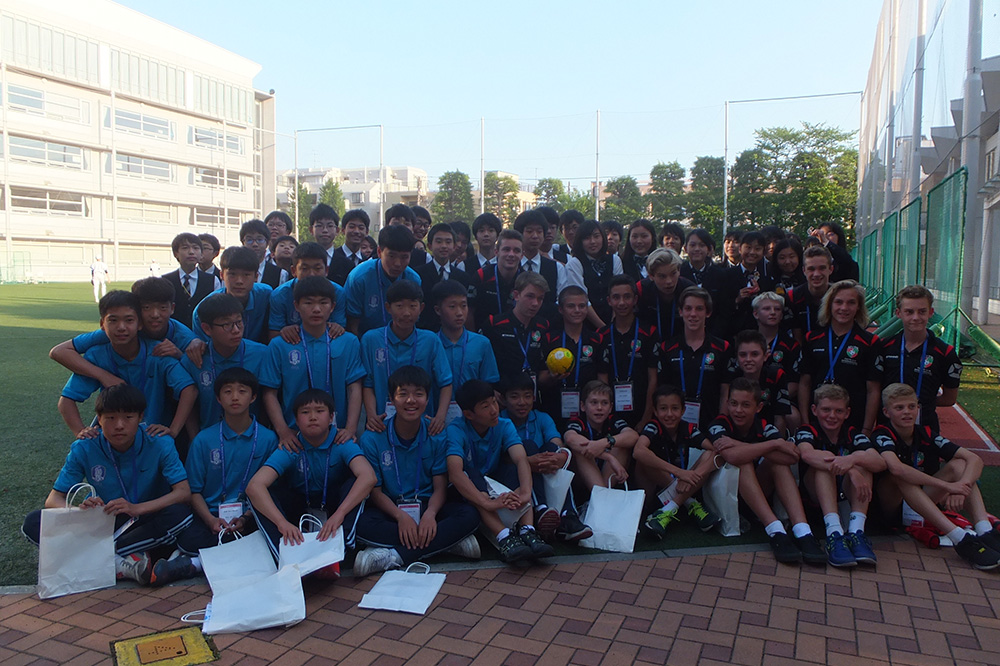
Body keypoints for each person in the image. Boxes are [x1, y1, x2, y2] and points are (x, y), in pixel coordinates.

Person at [22, 384, 195, 586]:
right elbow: (53, 500)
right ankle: (121, 562)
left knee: (181, 515)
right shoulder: (85, 446)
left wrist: (136, 508)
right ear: (99, 418)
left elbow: (183, 492)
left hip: (144, 517)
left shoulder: (159, 442)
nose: (119, 425)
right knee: (33, 522)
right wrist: (79, 510)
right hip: (101, 520)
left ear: (140, 417)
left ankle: (95, 557)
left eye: (128, 417)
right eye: (110, 418)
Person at [354, 367, 481, 576]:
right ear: (391, 399)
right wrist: (400, 517)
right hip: (391, 510)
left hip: (429, 507)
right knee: (361, 525)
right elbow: (375, 492)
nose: (411, 400)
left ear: (428, 399)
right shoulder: (372, 438)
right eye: (403, 394)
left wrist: (430, 514)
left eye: (418, 394)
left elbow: (440, 487)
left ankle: (393, 556)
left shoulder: (436, 435)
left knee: (470, 515)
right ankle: (447, 543)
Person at [247, 389, 376, 575]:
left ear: (331, 417)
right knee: (260, 495)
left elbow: (368, 476)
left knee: (355, 485)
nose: (313, 417)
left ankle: (344, 550)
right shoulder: (292, 445)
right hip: (300, 508)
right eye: (305, 412)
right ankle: (284, 557)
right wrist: (281, 522)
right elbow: (254, 486)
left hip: (334, 508)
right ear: (296, 420)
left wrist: (340, 514)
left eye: (320, 411)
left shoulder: (341, 441)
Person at [874, 383, 1000, 569]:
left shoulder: (924, 432)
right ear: (886, 412)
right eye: (899, 408)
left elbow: (974, 459)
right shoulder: (882, 434)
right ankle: (960, 539)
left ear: (918, 408)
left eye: (911, 406)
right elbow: (897, 469)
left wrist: (962, 487)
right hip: (892, 508)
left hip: (921, 503)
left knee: (959, 465)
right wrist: (948, 487)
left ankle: (985, 531)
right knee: (900, 476)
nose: (907, 412)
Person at [708, 378, 827, 565]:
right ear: (727, 404)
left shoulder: (763, 425)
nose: (738, 410)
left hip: (756, 494)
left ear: (758, 407)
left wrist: (745, 446)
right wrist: (772, 444)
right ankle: (775, 531)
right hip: (726, 499)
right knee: (744, 462)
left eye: (746, 405)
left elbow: (791, 457)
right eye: (734, 403)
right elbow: (732, 456)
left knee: (778, 464)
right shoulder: (719, 423)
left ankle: (803, 531)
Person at [57, 291, 197, 442]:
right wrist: (80, 431)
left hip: (152, 439)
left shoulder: (158, 352)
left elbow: (189, 389)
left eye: (129, 320)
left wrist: (173, 430)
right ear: (102, 324)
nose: (121, 327)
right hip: (113, 440)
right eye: (113, 320)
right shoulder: (97, 356)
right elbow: (66, 401)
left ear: (140, 324)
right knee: (79, 451)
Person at [177, 368, 278, 571]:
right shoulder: (203, 440)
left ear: (253, 397)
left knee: (266, 531)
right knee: (187, 536)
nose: (235, 397)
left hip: (251, 515)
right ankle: (232, 557)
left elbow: (271, 490)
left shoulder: (268, 439)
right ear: (218, 398)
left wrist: (245, 517)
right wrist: (211, 520)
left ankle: (197, 563)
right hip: (212, 517)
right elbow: (194, 491)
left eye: (242, 391)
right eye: (228, 391)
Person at [446, 379, 554, 563]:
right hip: (468, 488)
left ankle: (528, 530)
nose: (494, 410)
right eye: (485, 406)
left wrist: (525, 492)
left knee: (517, 467)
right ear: (469, 414)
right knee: (472, 474)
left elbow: (521, 458)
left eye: (494, 402)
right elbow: (455, 473)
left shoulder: (503, 424)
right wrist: (486, 503)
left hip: (493, 481)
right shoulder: (456, 429)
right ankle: (504, 538)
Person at [261, 276, 365, 448]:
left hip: (338, 435)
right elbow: (269, 393)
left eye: (323, 303)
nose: (316, 309)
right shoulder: (280, 345)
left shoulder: (348, 342)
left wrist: (350, 429)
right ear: (296, 306)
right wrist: (283, 431)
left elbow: (354, 387)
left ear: (332, 306)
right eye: (308, 303)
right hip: (295, 437)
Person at [50, 278, 198, 396]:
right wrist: (103, 375)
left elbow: (199, 380)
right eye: (146, 307)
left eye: (162, 307)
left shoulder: (184, 336)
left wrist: (179, 355)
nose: (155, 314)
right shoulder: (122, 331)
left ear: (172, 308)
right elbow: (59, 352)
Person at [795, 384, 883, 567]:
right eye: (826, 410)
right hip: (815, 498)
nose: (832, 416)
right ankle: (833, 535)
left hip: (844, 496)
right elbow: (807, 454)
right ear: (814, 410)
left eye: (838, 411)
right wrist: (850, 469)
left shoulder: (852, 433)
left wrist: (853, 459)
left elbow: (879, 462)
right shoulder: (807, 430)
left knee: (863, 463)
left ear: (847, 413)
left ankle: (856, 533)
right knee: (824, 464)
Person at [500, 372, 591, 542]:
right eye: (514, 397)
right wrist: (527, 462)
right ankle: (540, 509)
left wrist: (559, 456)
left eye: (527, 396)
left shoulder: (541, 418)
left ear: (534, 398)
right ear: (503, 399)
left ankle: (568, 515)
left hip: (543, 474)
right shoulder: (499, 421)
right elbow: (499, 458)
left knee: (552, 449)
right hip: (513, 478)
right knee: (527, 447)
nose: (522, 402)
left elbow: (557, 443)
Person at [361, 279, 453, 436]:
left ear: (421, 308)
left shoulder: (430, 340)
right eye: (399, 306)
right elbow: (367, 383)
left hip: (421, 424)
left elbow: (445, 382)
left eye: (412, 306)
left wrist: (440, 417)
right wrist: (371, 415)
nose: (406, 313)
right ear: (388, 307)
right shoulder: (371, 340)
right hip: (381, 424)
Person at [634, 385, 720, 537]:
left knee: (710, 455)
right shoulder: (653, 426)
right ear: (655, 411)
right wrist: (679, 473)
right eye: (663, 408)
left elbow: (714, 451)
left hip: (684, 487)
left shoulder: (687, 428)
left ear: (683, 410)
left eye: (675, 408)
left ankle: (669, 509)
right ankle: (689, 503)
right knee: (644, 459)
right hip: (656, 492)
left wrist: (687, 477)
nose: (669, 414)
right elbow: (638, 451)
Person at [874, 285, 962, 431]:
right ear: (898, 313)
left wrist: (919, 403)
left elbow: (949, 399)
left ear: (931, 313)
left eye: (922, 311)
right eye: (909, 312)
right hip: (886, 428)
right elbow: (873, 391)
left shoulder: (945, 353)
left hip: (926, 429)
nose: (916, 317)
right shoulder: (884, 347)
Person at [799, 280, 880, 434]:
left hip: (853, 421)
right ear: (829, 304)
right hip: (818, 420)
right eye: (838, 302)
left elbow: (873, 390)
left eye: (851, 303)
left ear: (859, 307)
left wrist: (866, 429)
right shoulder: (812, 339)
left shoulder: (870, 342)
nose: (844, 308)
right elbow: (804, 383)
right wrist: (805, 422)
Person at [181, 294, 268, 429]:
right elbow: (189, 408)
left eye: (239, 322)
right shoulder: (194, 359)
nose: (236, 330)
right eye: (227, 325)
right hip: (208, 436)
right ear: (207, 328)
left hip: (253, 436)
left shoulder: (262, 355)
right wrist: (194, 437)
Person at [659, 287, 732, 432]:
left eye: (699, 309)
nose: (693, 314)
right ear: (681, 312)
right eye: (688, 308)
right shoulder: (667, 348)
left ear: (708, 312)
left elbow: (725, 391)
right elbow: (662, 391)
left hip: (711, 425)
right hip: (675, 427)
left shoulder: (722, 348)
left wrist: (721, 423)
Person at [597, 275, 660, 428]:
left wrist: (646, 417)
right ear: (609, 301)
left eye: (627, 297)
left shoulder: (649, 332)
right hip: (611, 414)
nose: (622, 303)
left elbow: (653, 378)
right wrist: (608, 417)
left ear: (635, 299)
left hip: (642, 411)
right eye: (616, 297)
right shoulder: (601, 335)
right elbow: (602, 380)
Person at [538, 286, 603, 427]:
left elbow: (602, 380)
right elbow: (541, 380)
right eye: (571, 306)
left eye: (582, 306)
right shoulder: (549, 339)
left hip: (588, 413)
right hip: (554, 409)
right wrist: (552, 377)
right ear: (561, 309)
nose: (577, 310)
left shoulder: (596, 339)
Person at [345, 225, 422, 335]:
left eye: (404, 257)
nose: (397, 263)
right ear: (379, 252)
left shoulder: (413, 279)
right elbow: (352, 323)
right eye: (391, 256)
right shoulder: (359, 278)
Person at [433, 281, 500, 407]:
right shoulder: (431, 343)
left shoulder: (482, 344)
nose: (459, 312)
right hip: (436, 413)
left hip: (473, 412)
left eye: (463, 306)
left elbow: (489, 383)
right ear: (438, 310)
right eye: (452, 307)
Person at [562, 380, 637, 491]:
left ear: (611, 407)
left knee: (622, 445)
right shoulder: (578, 422)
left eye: (604, 403)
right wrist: (609, 457)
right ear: (583, 406)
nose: (599, 407)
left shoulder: (613, 420)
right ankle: (602, 494)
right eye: (594, 402)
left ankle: (602, 495)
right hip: (581, 480)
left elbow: (633, 435)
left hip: (608, 479)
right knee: (580, 450)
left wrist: (604, 443)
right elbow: (570, 438)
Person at [481, 271, 550, 387]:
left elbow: (542, 366)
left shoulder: (543, 326)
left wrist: (554, 376)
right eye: (530, 296)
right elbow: (483, 363)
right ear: (516, 295)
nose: (535, 303)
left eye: (540, 298)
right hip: (502, 391)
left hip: (531, 392)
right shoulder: (495, 324)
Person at [192, 246, 273, 344]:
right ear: (222, 275)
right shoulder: (203, 311)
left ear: (256, 277)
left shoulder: (266, 295)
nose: (239, 281)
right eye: (232, 274)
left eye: (246, 275)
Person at [268, 242, 347, 338]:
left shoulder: (337, 292)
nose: (311, 274)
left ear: (326, 270)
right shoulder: (280, 295)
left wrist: (337, 328)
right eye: (304, 269)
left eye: (317, 268)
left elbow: (340, 327)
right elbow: (274, 333)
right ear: (293, 271)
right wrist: (284, 331)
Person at [731, 330, 796, 433]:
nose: (748, 359)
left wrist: (778, 440)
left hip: (768, 432)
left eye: (754, 354)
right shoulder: (731, 376)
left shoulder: (776, 375)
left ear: (765, 356)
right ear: (737, 357)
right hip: (737, 431)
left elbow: (780, 416)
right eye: (743, 355)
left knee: (793, 416)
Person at [565, 219, 624, 328]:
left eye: (596, 236)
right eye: (587, 238)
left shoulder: (614, 260)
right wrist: (602, 327)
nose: (592, 241)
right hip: (586, 324)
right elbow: (581, 298)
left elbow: (619, 292)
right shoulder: (575, 264)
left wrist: (613, 323)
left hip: (615, 322)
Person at [414, 222, 473, 331]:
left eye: (448, 242)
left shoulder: (463, 277)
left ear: (454, 246)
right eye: (439, 241)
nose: (444, 246)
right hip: (425, 331)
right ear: (429, 246)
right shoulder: (418, 274)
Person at [515, 209, 568, 322]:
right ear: (519, 234)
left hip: (548, 325)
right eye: (529, 231)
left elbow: (562, 300)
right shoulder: (511, 265)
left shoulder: (557, 268)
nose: (535, 236)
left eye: (539, 232)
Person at [721, 231, 776, 336]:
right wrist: (737, 299)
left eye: (757, 249)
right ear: (740, 249)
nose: (752, 252)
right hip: (732, 333)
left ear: (763, 252)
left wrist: (760, 295)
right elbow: (720, 307)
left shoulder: (767, 278)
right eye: (748, 247)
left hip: (759, 333)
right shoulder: (726, 275)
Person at [163, 233, 221, 328]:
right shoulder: (165, 281)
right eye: (185, 248)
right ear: (175, 253)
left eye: (196, 248)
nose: (191, 252)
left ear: (201, 253)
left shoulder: (213, 280)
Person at [636, 248, 695, 340]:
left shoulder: (689, 290)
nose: (669, 281)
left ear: (679, 271)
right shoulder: (641, 289)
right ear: (651, 276)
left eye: (673, 274)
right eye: (662, 276)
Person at [469, 229, 524, 324]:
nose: (511, 254)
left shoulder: (526, 280)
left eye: (516, 251)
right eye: (506, 249)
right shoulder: (481, 276)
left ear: (522, 255)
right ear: (496, 252)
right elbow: (469, 311)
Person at [786, 245, 834, 342]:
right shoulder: (793, 297)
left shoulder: (839, 295)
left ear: (831, 269)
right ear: (804, 270)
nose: (816, 274)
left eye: (822, 268)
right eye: (811, 269)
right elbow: (796, 337)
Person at [680, 229, 726, 325]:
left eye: (702, 245)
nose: (697, 249)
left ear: (708, 249)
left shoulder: (720, 274)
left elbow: (723, 309)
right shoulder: (679, 273)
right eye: (692, 245)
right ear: (685, 248)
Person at [325, 208, 370, 286]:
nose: (356, 231)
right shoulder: (332, 258)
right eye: (352, 227)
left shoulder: (367, 263)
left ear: (367, 232)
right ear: (343, 230)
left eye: (361, 228)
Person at [241, 219, 287, 289]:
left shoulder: (281, 274)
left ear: (267, 242)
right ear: (243, 243)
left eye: (260, 240)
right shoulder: (233, 272)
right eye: (249, 240)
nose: (255, 244)